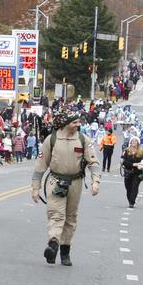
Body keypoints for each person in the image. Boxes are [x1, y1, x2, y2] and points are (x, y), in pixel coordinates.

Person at [30, 109, 100, 267]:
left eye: (78, 122)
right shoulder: (52, 139)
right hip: (55, 182)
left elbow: (93, 162)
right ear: (66, 123)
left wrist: (96, 181)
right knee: (56, 214)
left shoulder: (83, 139)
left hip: (76, 183)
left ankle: (65, 251)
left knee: (70, 218)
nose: (78, 125)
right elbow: (41, 165)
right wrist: (36, 188)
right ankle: (53, 244)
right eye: (75, 122)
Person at [121, 137, 143, 208]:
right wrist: (133, 164)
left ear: (138, 143)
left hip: (137, 173)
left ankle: (132, 202)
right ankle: (130, 200)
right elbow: (123, 162)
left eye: (135, 141)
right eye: (132, 141)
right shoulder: (126, 151)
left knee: (134, 187)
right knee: (128, 188)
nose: (134, 143)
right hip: (128, 172)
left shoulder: (141, 152)